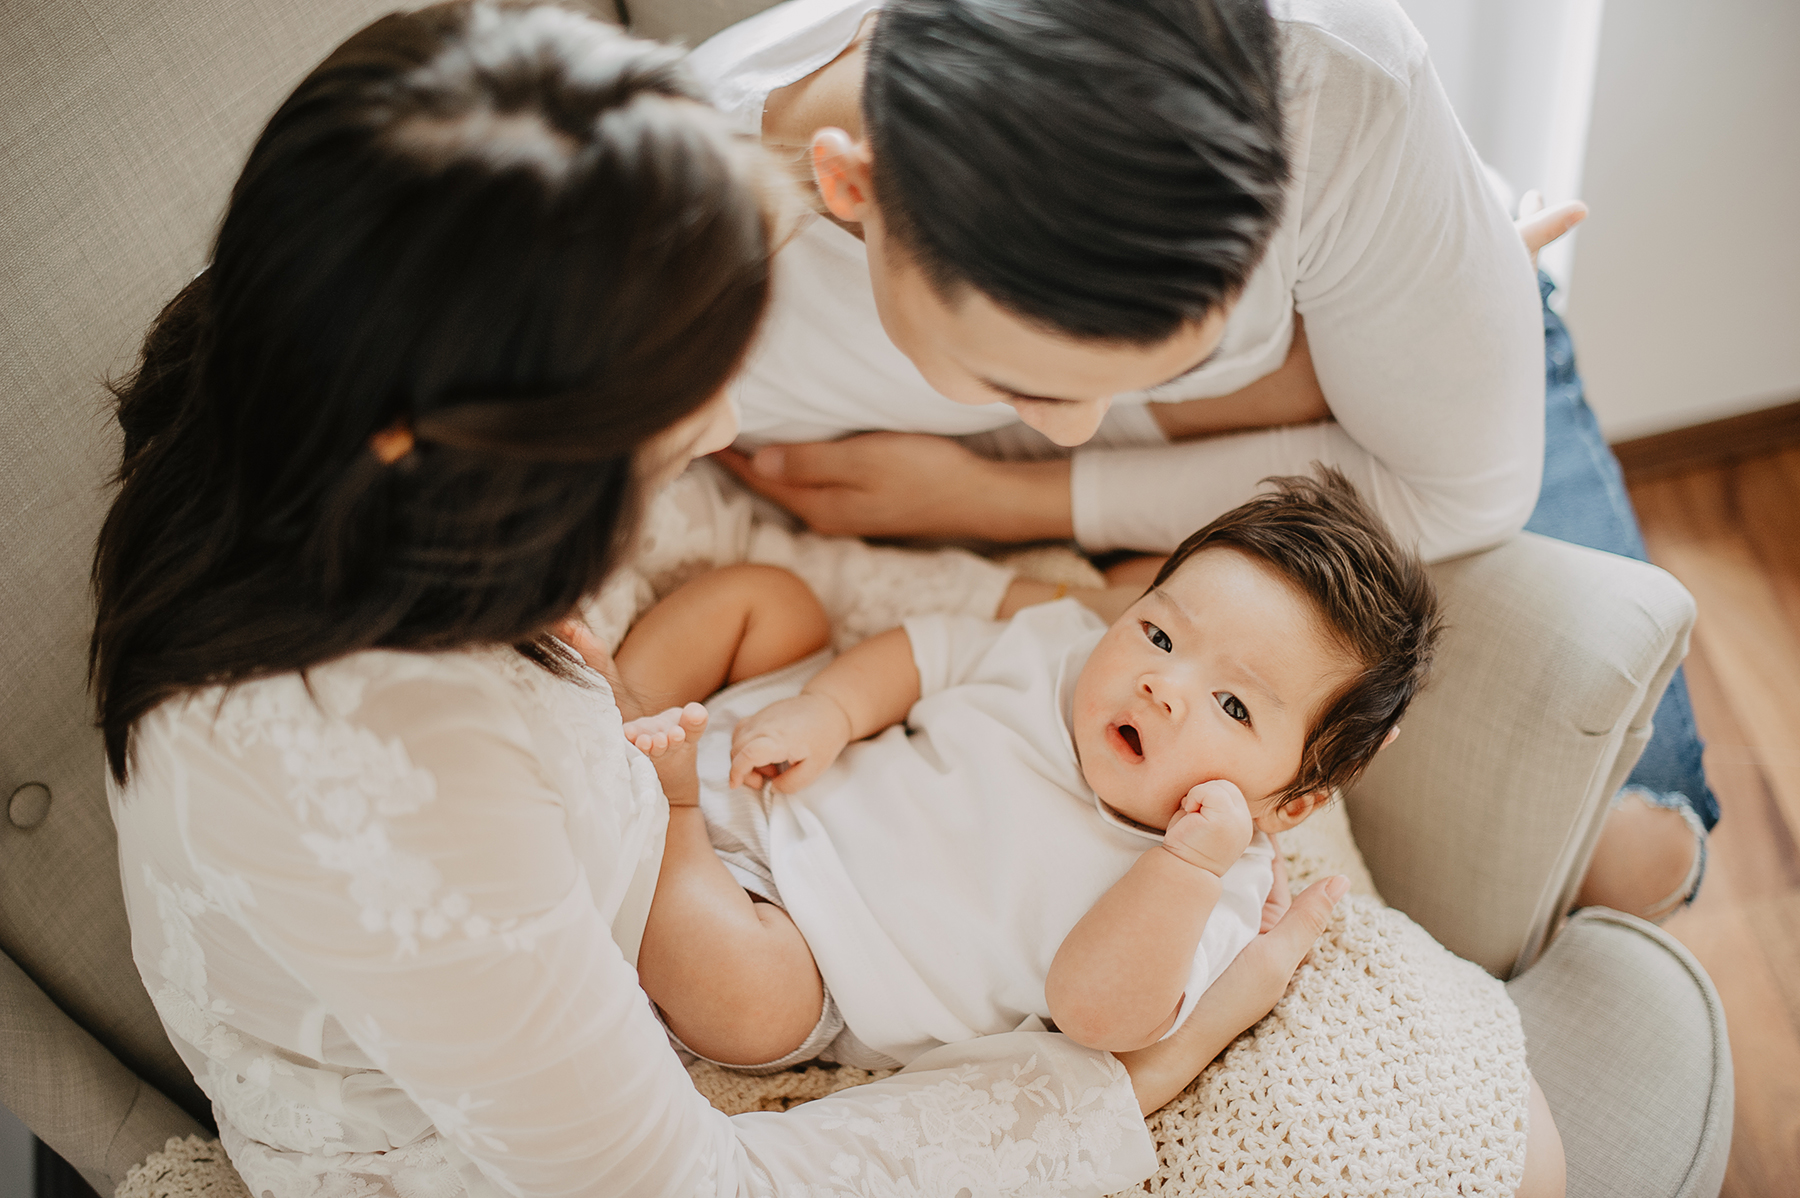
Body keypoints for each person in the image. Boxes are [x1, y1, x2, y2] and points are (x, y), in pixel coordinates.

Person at [89, 5, 1347, 1195]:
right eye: (657, 448)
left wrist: (1033, 601)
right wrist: (1129, 1082)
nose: (710, 436)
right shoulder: (389, 762)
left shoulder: (374, 350)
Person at [679, 0, 1713, 922]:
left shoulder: (1323, 82)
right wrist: (1290, 381)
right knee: (1627, 852)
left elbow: (1452, 493)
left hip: (1410, 363)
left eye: (1193, 352)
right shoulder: (681, 281)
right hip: (1344, 401)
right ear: (848, 189)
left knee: (1654, 850)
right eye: (1029, 383)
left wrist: (1003, 495)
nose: (1076, 423)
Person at [614, 471, 1438, 1076]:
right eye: (1158, 635)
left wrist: (1187, 865)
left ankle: (667, 811)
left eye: (1233, 706)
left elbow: (1097, 1014)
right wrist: (830, 710)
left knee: (749, 1007)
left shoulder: (1212, 889)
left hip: (806, 952)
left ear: (1292, 804)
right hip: (771, 761)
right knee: (772, 601)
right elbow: (922, 651)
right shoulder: (1064, 649)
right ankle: (623, 711)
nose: (1163, 685)